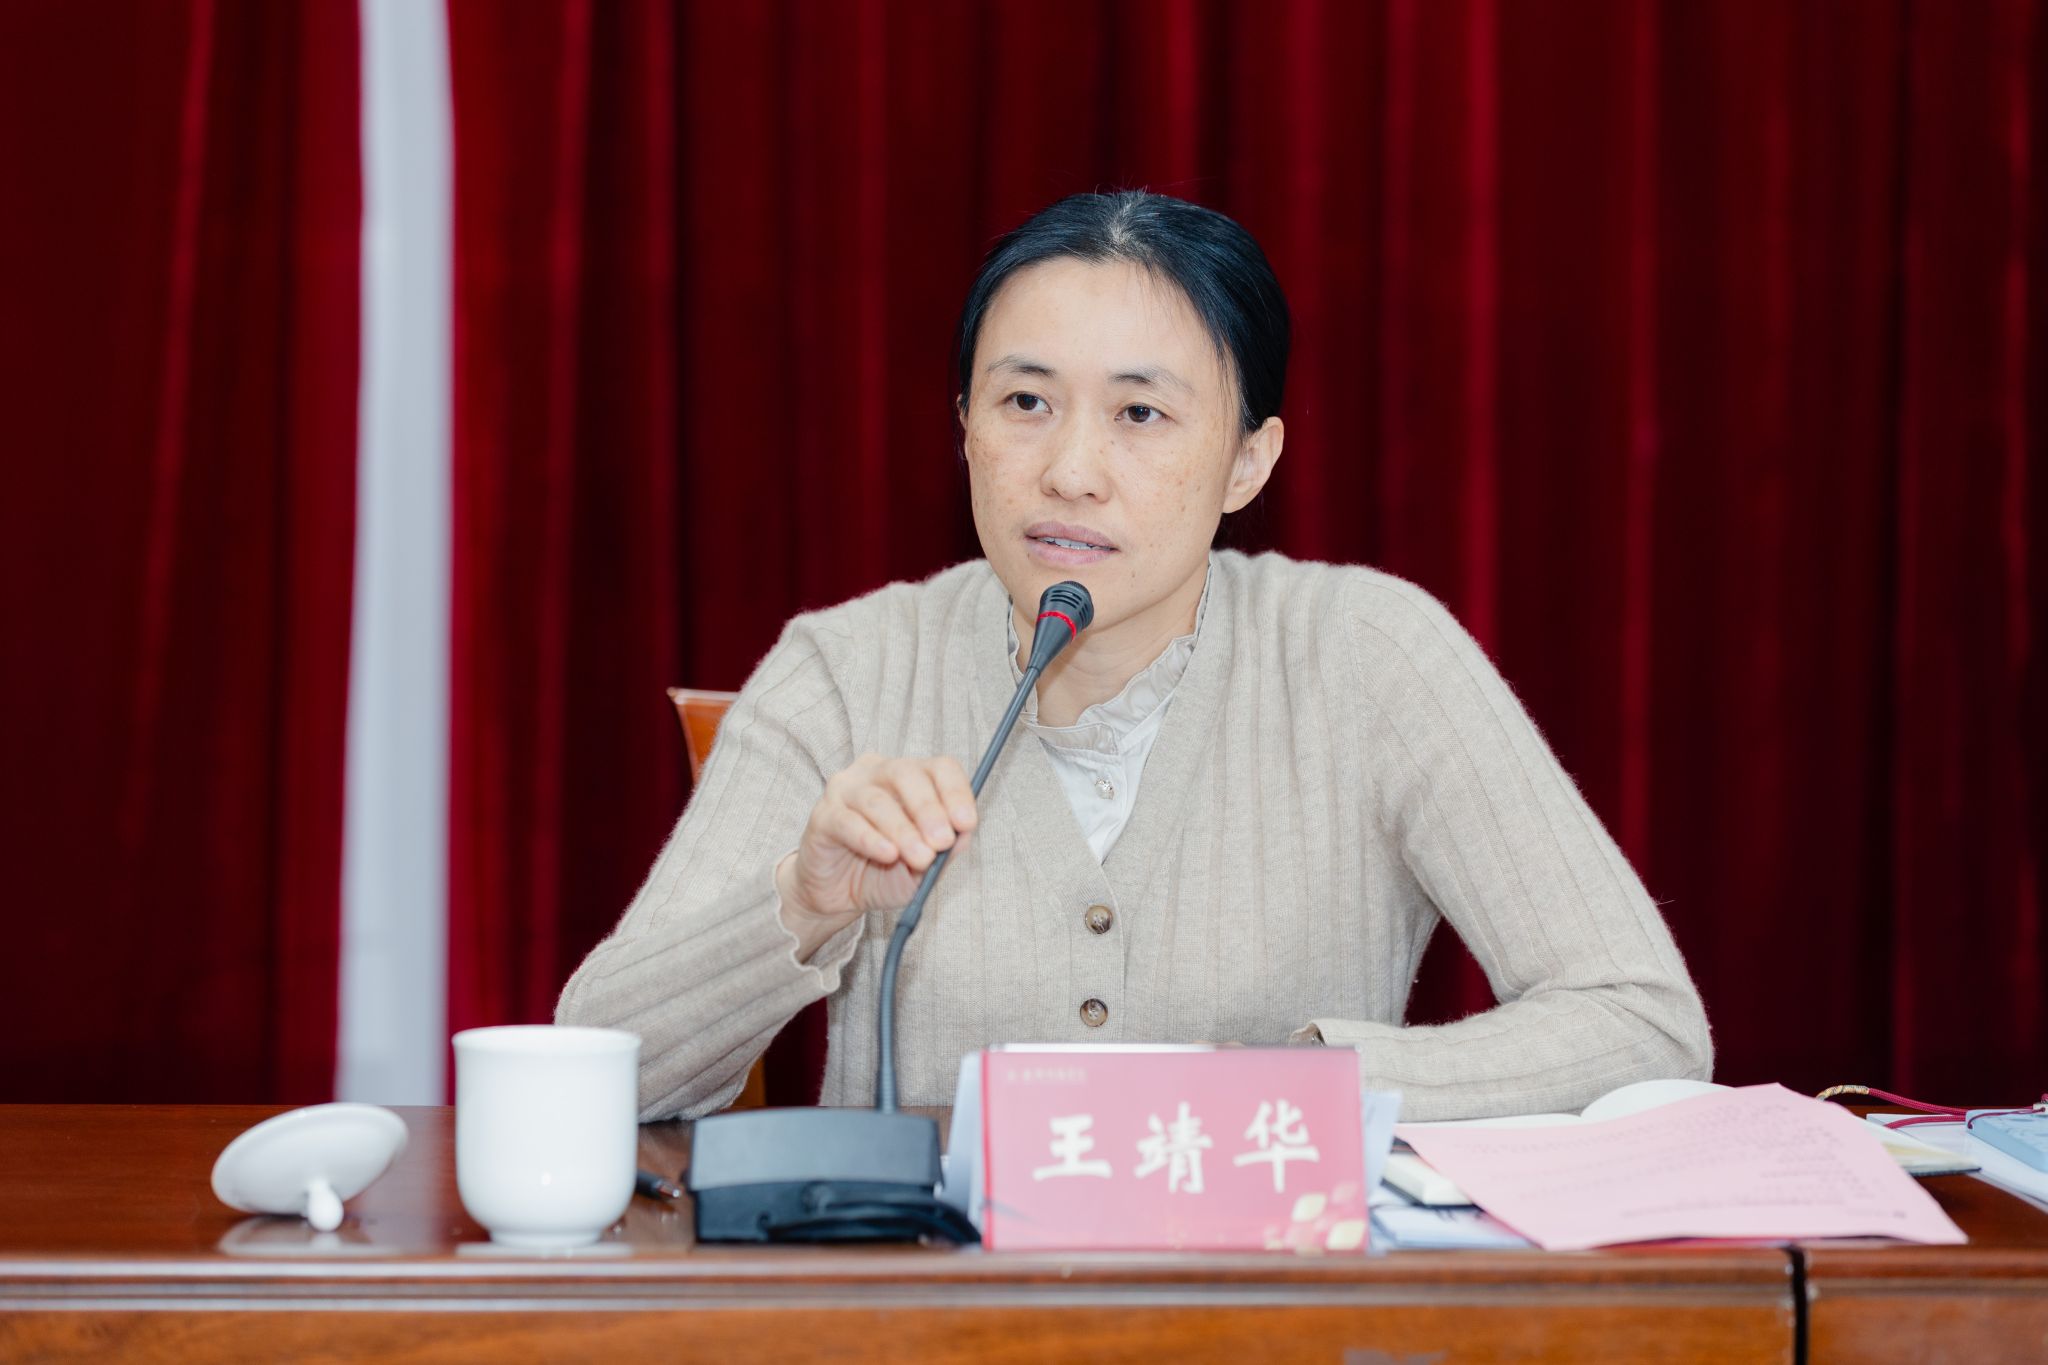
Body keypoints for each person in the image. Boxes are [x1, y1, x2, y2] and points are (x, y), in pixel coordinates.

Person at [557, 190, 1711, 1123]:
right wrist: (801, 907)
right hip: (927, 1317)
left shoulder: (1369, 655)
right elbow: (591, 1077)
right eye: (1024, 402)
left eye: (1139, 415)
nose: (1069, 472)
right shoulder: (849, 669)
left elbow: (1639, 1020)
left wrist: (1307, 1085)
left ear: (1248, 462)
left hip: (1278, 1312)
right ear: (963, 427)